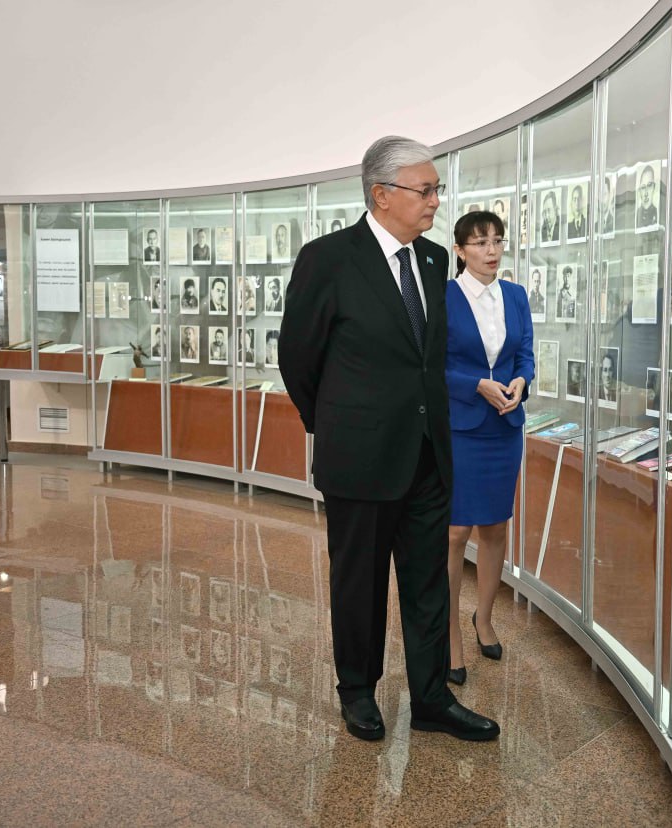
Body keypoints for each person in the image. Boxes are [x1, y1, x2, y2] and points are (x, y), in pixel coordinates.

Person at [279, 135, 498, 743]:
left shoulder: (432, 260)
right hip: (360, 457)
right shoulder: (328, 259)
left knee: (428, 582)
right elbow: (297, 359)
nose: (435, 201)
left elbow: (429, 359)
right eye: (425, 190)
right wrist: (337, 425)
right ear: (381, 195)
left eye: (436, 189)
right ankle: (357, 691)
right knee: (361, 583)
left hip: (427, 455)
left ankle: (430, 697)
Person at [443, 210, 534, 686]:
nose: (492, 250)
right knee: (456, 533)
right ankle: (450, 634)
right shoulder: (444, 296)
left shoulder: (515, 296)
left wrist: (521, 382)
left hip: (504, 429)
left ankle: (483, 617)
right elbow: (431, 366)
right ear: (460, 250)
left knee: (495, 528)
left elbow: (525, 355)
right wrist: (475, 384)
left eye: (497, 240)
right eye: (480, 243)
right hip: (462, 428)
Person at [636, 164, 659, 228]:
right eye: (643, 187)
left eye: (649, 185)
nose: (646, 193)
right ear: (639, 191)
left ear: (654, 187)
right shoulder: (636, 215)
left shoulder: (658, 214)